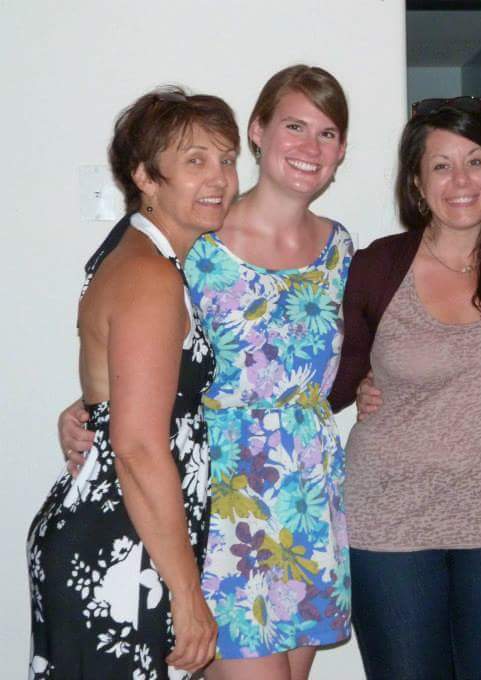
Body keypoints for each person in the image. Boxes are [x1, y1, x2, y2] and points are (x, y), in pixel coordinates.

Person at [57, 65, 354, 680]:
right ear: (259, 133)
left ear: (341, 150)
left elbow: (354, 353)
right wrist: (89, 406)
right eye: (294, 126)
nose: (310, 145)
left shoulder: (342, 249)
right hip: (224, 495)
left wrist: (373, 387)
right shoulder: (198, 242)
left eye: (327, 133)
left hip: (307, 498)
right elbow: (136, 346)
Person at [328, 96, 481, 679]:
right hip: (389, 515)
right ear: (418, 185)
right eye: (441, 166)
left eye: (474, 161)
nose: (461, 180)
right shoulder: (378, 267)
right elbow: (332, 378)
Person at [28, 87, 240, 679]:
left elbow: (130, 393)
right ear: (146, 176)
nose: (219, 178)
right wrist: (188, 595)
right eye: (195, 160)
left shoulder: (141, 255)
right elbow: (140, 446)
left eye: (226, 159)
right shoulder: (149, 275)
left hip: (127, 539)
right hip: (120, 547)